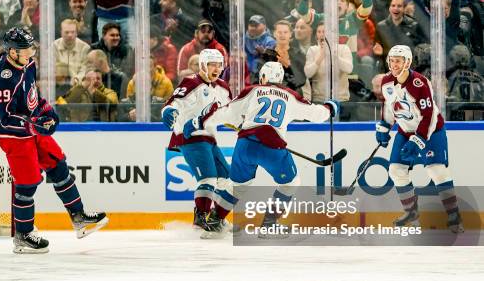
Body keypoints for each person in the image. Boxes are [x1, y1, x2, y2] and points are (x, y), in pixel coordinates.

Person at [183, 62, 338, 238]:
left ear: (263, 77)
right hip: (273, 147)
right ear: (280, 79)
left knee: (237, 186)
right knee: (290, 183)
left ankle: (214, 223)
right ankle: (269, 226)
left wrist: (200, 121)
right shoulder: (290, 95)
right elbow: (314, 114)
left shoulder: (251, 90)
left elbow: (226, 112)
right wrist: (329, 108)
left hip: (245, 145)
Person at [0, 27, 108, 253]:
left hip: (31, 128)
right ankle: (23, 235)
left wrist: (47, 111)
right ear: (12, 52)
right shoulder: (3, 75)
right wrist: (32, 125)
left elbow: (34, 95)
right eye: (25, 49)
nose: (30, 52)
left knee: (57, 163)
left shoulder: (28, 64)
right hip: (13, 134)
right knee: (27, 182)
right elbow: (5, 117)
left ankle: (79, 217)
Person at [375, 45, 464, 233]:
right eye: (391, 60)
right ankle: (411, 212)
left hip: (431, 131)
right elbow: (390, 108)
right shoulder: (386, 82)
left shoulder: (419, 83)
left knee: (436, 170)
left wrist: (419, 140)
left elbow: (429, 116)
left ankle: (454, 215)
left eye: (398, 60)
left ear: (407, 62)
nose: (394, 64)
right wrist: (384, 127)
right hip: (405, 131)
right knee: (396, 170)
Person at [161, 48, 233, 237]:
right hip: (190, 136)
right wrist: (168, 111)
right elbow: (174, 101)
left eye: (219, 64)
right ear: (202, 65)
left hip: (209, 137)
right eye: (212, 64)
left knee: (226, 178)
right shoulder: (191, 82)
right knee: (208, 178)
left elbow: (230, 111)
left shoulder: (223, 88)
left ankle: (216, 218)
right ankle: (201, 219)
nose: (216, 68)